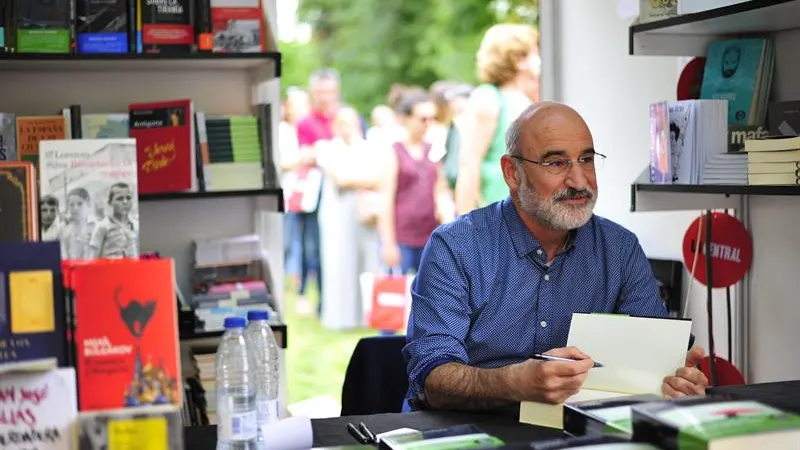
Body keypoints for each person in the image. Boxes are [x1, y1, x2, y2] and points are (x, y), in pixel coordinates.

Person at [403, 102, 708, 413]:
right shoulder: (457, 246)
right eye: (556, 163)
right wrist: (513, 383)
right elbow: (431, 376)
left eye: (586, 160)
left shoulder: (620, 249)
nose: (579, 181)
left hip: (577, 432)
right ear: (512, 173)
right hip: (469, 431)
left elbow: (651, 361)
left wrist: (676, 379)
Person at [455, 24, 541, 214]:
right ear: (519, 59)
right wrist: (463, 229)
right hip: (495, 215)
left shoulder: (528, 100)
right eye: (535, 52)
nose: (540, 60)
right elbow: (469, 163)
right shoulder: (488, 98)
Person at [316, 106, 382, 330]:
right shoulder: (327, 148)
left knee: (366, 262)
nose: (348, 128)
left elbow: (380, 176)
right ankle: (340, 317)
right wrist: (365, 178)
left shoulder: (366, 147)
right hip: (337, 216)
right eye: (342, 123)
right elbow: (341, 179)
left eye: (351, 122)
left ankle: (366, 316)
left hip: (362, 215)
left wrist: (360, 176)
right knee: (338, 263)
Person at [378, 88, 445, 275]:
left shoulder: (434, 150)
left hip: (429, 237)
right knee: (395, 298)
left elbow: (440, 192)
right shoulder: (394, 152)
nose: (428, 124)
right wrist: (388, 243)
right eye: (423, 119)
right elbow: (386, 199)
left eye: (432, 119)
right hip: (401, 239)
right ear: (407, 119)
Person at [294, 69, 341, 317]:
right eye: (322, 92)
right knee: (313, 247)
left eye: (331, 91)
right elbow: (304, 156)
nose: (326, 97)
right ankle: (316, 298)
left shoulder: (343, 118)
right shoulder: (306, 122)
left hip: (341, 191)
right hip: (316, 192)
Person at [89, 182, 138, 258]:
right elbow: (93, 257)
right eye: (119, 199)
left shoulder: (135, 225)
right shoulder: (102, 226)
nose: (125, 202)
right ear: (110, 202)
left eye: (128, 198)